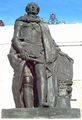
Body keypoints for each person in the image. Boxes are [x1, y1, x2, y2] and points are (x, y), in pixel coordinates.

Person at [8, 2, 60, 108]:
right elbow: (15, 39)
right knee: (27, 79)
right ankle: (28, 107)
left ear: (38, 10)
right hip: (24, 52)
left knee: (42, 76)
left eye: (35, 6)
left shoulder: (42, 24)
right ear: (27, 9)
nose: (32, 7)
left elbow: (49, 40)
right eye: (30, 6)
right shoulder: (20, 21)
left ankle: (42, 102)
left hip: (39, 52)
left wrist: (56, 49)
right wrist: (21, 51)